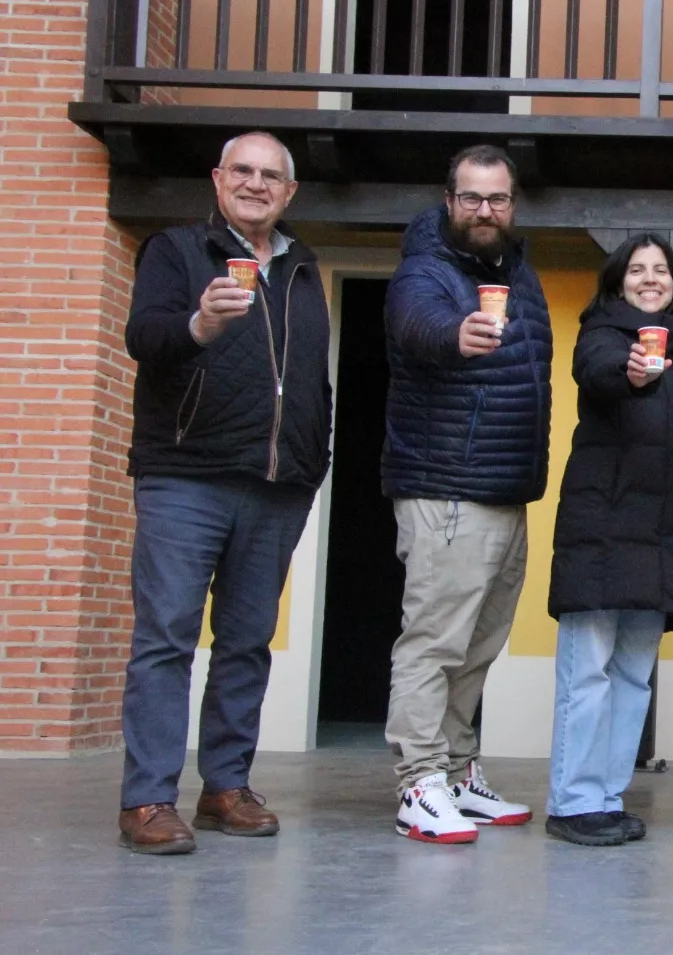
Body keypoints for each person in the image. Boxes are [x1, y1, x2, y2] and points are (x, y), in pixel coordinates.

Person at [119, 131, 331, 854]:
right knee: (166, 639)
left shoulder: (302, 267)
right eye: (242, 170)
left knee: (245, 644)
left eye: (270, 175)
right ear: (217, 179)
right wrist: (198, 325)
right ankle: (148, 799)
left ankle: (225, 787)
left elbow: (309, 380)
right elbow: (144, 337)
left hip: (276, 487)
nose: (255, 183)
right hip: (186, 475)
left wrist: (312, 460)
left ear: (289, 192)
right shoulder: (176, 253)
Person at [382, 145, 553, 844]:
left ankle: (455, 771)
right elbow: (418, 325)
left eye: (499, 198)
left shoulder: (519, 271)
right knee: (434, 643)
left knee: (478, 648)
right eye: (473, 197)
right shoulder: (425, 270)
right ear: (449, 201)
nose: (487, 210)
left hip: (504, 491)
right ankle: (418, 783)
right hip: (446, 486)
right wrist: (459, 336)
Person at [544, 233, 673, 847]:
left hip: (660, 535)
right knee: (588, 674)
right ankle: (572, 800)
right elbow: (601, 372)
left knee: (634, 678)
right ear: (616, 284)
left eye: (660, 270)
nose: (650, 279)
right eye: (636, 270)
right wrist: (633, 370)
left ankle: (605, 797)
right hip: (602, 531)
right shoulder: (603, 336)